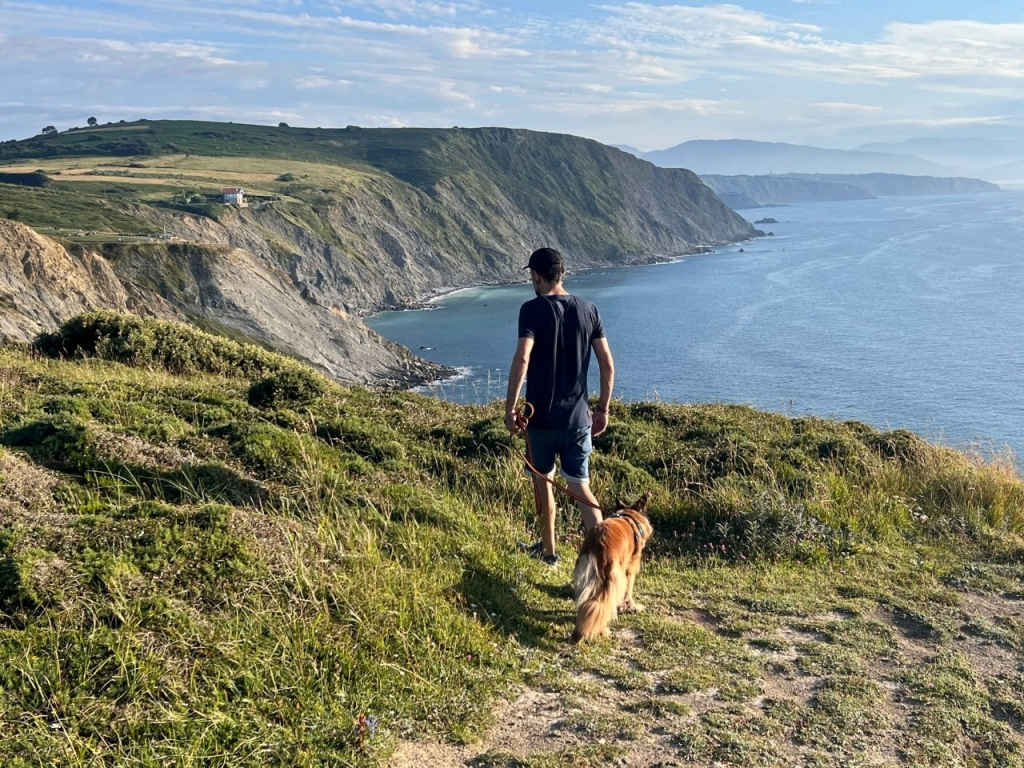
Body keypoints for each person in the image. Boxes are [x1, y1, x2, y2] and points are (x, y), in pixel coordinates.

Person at [505, 247, 615, 566]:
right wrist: (602, 409)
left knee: (543, 483)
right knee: (581, 490)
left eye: (532, 276)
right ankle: (605, 564)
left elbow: (523, 357)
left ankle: (549, 552)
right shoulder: (589, 310)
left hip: (540, 420)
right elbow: (607, 364)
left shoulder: (531, 310)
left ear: (537, 276)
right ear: (562, 274)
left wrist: (510, 408)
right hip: (579, 419)